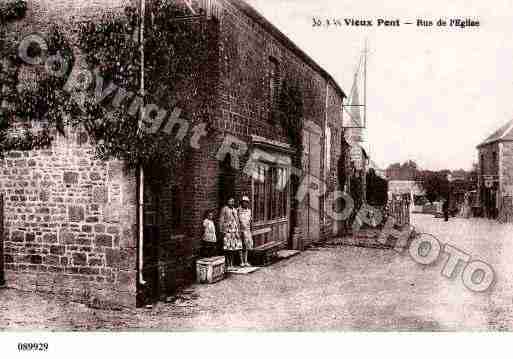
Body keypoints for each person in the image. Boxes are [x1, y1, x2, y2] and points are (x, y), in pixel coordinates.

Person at [219, 198, 242, 268]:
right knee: (227, 248)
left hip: (234, 231)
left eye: (233, 201)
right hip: (227, 230)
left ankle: (232, 264)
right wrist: (221, 230)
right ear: (227, 202)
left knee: (233, 248)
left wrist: (238, 230)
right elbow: (221, 220)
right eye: (230, 201)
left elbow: (237, 220)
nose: (232, 203)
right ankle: (228, 264)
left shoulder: (235, 210)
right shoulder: (224, 209)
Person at [238, 196, 253, 267]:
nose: (245, 204)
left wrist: (250, 230)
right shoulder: (238, 210)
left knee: (246, 246)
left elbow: (250, 221)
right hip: (240, 230)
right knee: (240, 246)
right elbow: (237, 221)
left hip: (247, 230)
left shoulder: (249, 211)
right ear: (241, 203)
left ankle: (246, 260)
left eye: (246, 202)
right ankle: (241, 261)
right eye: (244, 202)